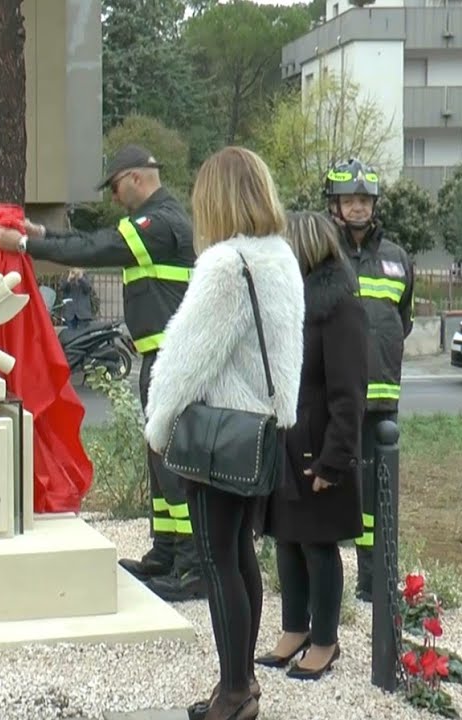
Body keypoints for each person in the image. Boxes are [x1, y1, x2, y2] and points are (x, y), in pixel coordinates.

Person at [0, 144, 202, 601]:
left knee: (175, 465)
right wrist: (43, 232)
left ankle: (191, 568)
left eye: (113, 186)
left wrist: (28, 243)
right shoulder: (151, 221)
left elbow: (97, 247)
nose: (112, 197)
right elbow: (94, 240)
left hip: (173, 360)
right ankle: (166, 553)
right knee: (160, 461)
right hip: (161, 359)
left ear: (135, 178)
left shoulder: (160, 222)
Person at [143, 146, 305, 720]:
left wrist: (157, 423)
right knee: (240, 557)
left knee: (218, 561)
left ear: (213, 200)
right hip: (260, 431)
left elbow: (185, 359)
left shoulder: (224, 265)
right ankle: (237, 687)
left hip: (219, 433)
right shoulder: (281, 257)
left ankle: (235, 693)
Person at [257, 211, 367, 682]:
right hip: (287, 441)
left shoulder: (339, 306)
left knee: (319, 547)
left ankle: (324, 640)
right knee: (287, 539)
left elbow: (349, 394)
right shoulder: (293, 301)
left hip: (320, 448)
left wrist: (332, 460)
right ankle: (293, 630)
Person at [323, 158, 414, 602]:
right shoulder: (324, 255)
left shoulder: (397, 258)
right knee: (329, 490)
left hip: (383, 402)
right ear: (335, 205)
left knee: (379, 497)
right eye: (349, 200)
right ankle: (321, 584)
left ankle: (373, 580)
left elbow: (402, 322)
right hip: (337, 402)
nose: (357, 207)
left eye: (364, 199)